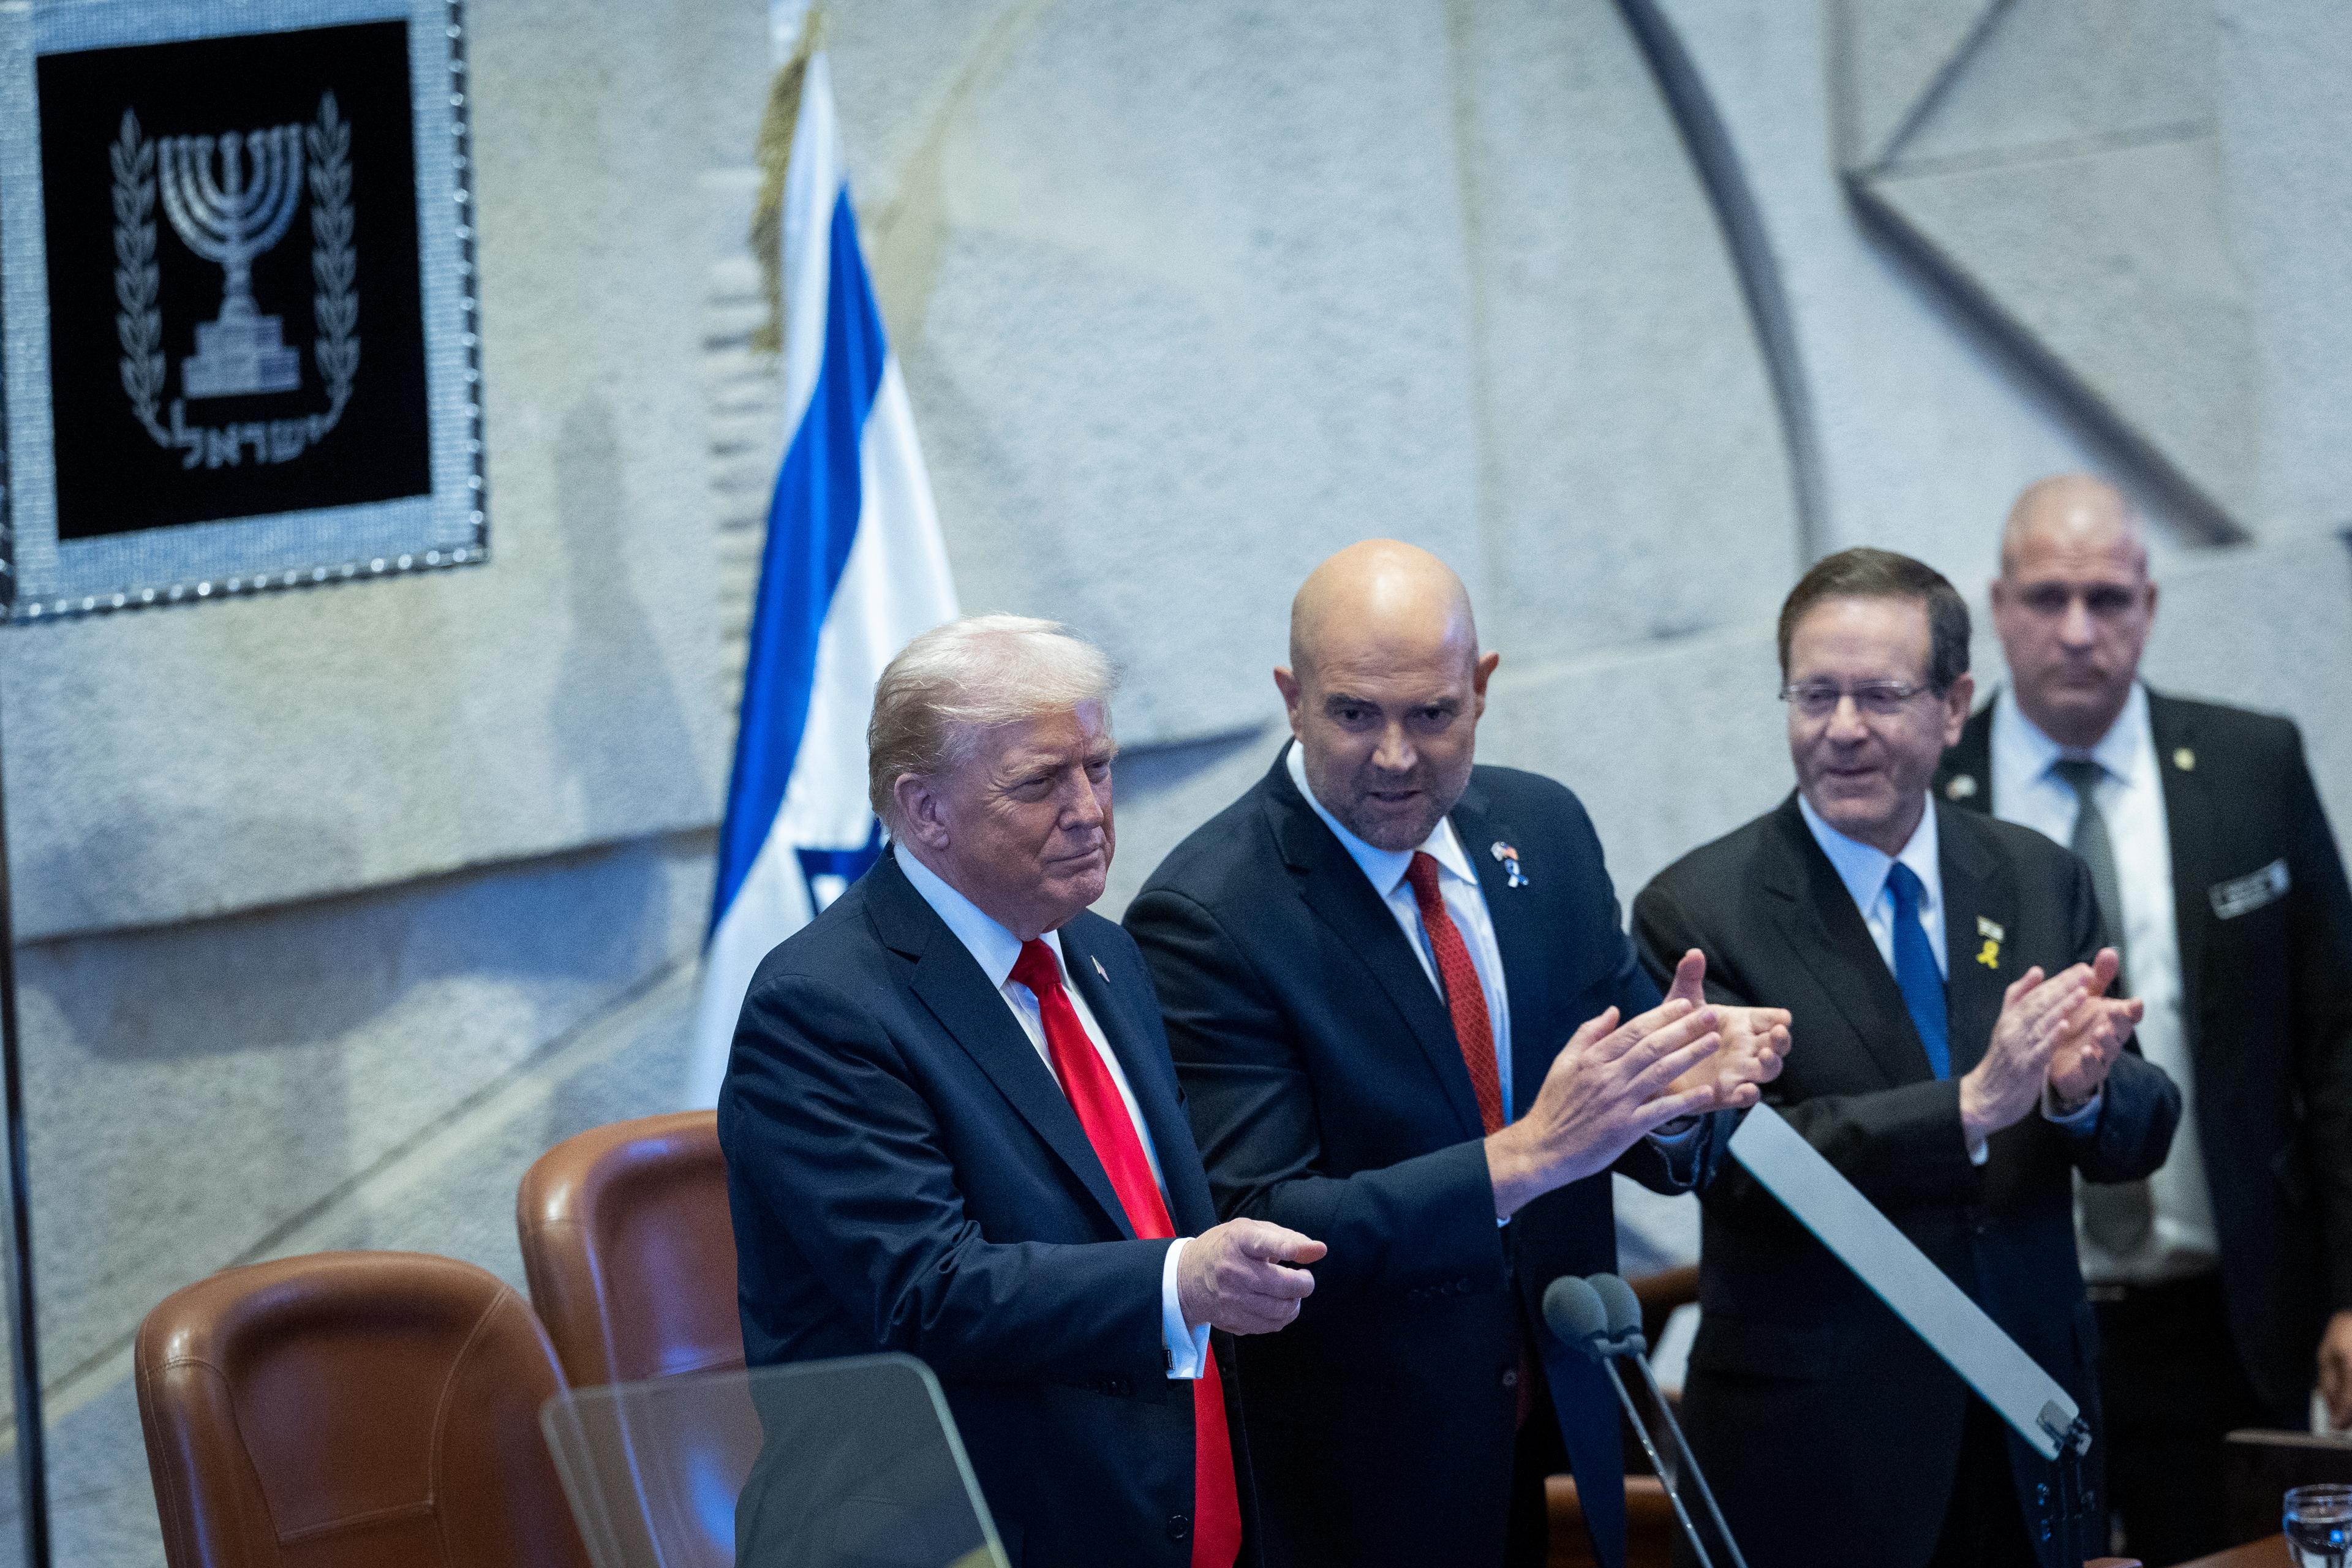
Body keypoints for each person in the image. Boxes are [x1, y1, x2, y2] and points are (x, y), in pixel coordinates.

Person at [1125, 541, 1791, 1568]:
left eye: (1431, 715)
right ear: (1291, 698)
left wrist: (1681, 1091)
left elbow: (1612, 1084)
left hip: (1555, 1397)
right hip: (1362, 1465)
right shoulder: (1208, 912)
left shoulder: (1544, 827)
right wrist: (1523, 1160)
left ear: (1480, 690)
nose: (1395, 755)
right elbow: (1260, 1219)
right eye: (1354, 714)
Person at [719, 615, 1328, 1568]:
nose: (1088, 808)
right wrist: (1186, 1279)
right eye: (1040, 782)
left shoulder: (1103, 953)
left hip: (1160, 1510)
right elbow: (927, 1292)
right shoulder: (822, 1006)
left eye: (1098, 765)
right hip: (958, 1531)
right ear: (925, 810)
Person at [1634, 546, 2180, 1568]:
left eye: (1880, 696)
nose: (1842, 730)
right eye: (1815, 695)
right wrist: (1968, 1107)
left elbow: (2139, 1128)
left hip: (2030, 1419)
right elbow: (1736, 1163)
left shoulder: (2032, 876)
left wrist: (2078, 1094)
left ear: (1953, 704)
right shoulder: (1699, 910)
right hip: (1821, 1447)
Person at [1932, 474, 2352, 1564]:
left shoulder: (2252, 767)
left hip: (2224, 1310)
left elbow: (2340, 1046)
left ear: (2150, 606)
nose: (2079, 632)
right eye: (2048, 598)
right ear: (1999, 605)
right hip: (2005, 1306)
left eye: (2108, 600)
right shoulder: (1928, 792)